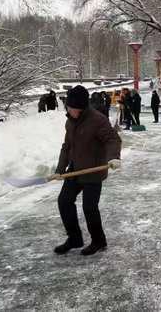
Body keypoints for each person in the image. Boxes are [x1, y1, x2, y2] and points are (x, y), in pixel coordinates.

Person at [54, 85, 121, 256]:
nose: (70, 111)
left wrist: (113, 157)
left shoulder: (97, 120)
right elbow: (66, 147)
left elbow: (113, 139)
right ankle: (75, 238)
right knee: (64, 201)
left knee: (89, 207)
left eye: (73, 108)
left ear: (82, 108)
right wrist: (60, 169)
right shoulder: (70, 121)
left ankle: (99, 241)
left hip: (93, 170)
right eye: (68, 107)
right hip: (75, 168)